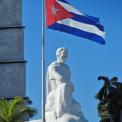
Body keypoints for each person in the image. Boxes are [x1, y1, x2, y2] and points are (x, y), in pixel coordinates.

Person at [46, 47, 82, 118]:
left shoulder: (67, 68)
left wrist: (70, 85)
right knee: (64, 86)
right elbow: (60, 78)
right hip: (55, 93)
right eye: (63, 56)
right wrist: (70, 83)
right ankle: (60, 112)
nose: (64, 58)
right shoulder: (53, 66)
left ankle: (67, 110)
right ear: (58, 55)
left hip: (67, 95)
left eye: (66, 56)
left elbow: (68, 83)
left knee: (78, 106)